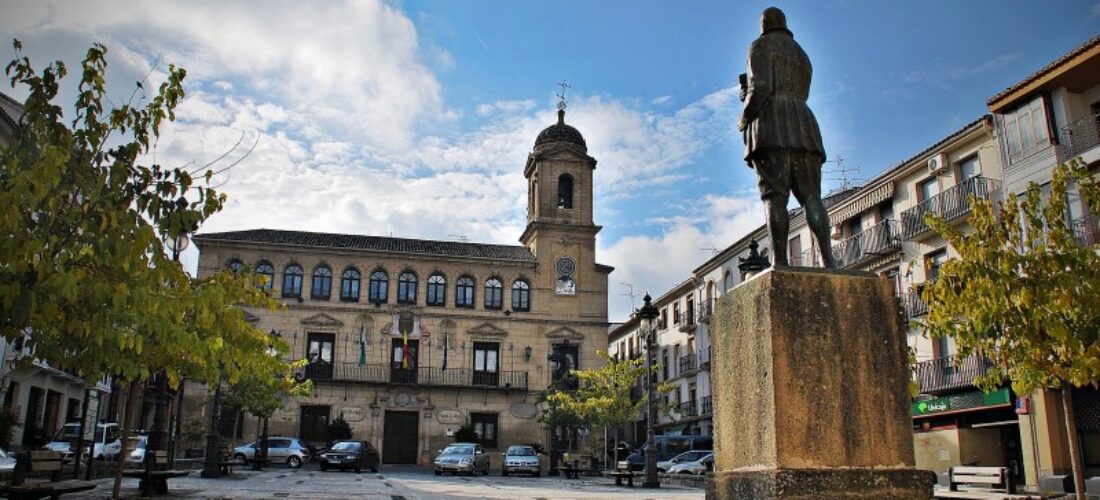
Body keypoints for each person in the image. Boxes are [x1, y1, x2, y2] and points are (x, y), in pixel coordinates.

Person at [738, 7, 835, 268]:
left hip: (772, 125)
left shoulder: (759, 46)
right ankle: (828, 260)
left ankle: (780, 261)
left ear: (764, 25)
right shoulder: (802, 55)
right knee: (812, 196)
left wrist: (744, 116)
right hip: (804, 124)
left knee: (775, 196)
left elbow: (761, 88)